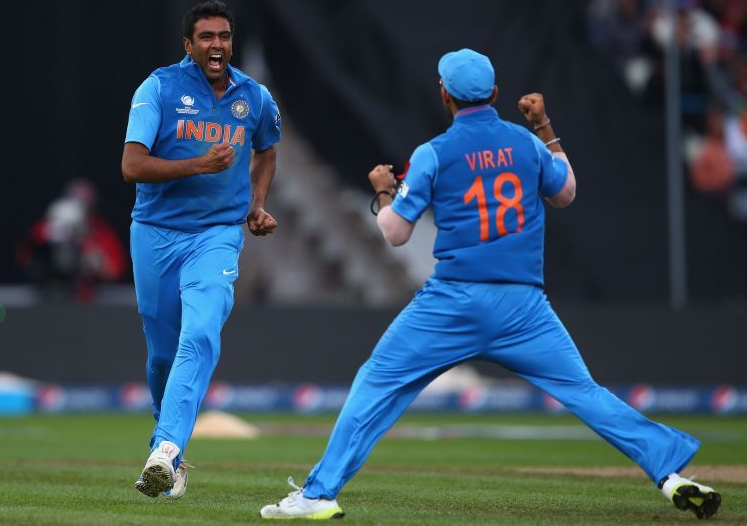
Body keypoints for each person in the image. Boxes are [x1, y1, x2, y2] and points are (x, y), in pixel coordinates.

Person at [259, 49, 721, 520]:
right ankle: (671, 476)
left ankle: (319, 495)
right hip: (523, 307)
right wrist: (544, 126)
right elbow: (565, 193)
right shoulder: (525, 143)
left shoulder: (433, 153)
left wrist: (382, 190)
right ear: (495, 94)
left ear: (445, 94)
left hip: (454, 301)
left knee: (377, 384)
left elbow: (397, 234)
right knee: (585, 392)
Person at [122, 0, 281, 499]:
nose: (218, 46)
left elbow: (267, 147)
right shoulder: (159, 88)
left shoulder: (253, 97)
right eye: (207, 37)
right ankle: (167, 446)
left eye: (225, 36)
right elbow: (132, 165)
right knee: (162, 358)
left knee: (201, 332)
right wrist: (198, 166)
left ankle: (165, 451)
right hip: (155, 232)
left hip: (217, 235)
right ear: (188, 45)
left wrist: (255, 204)